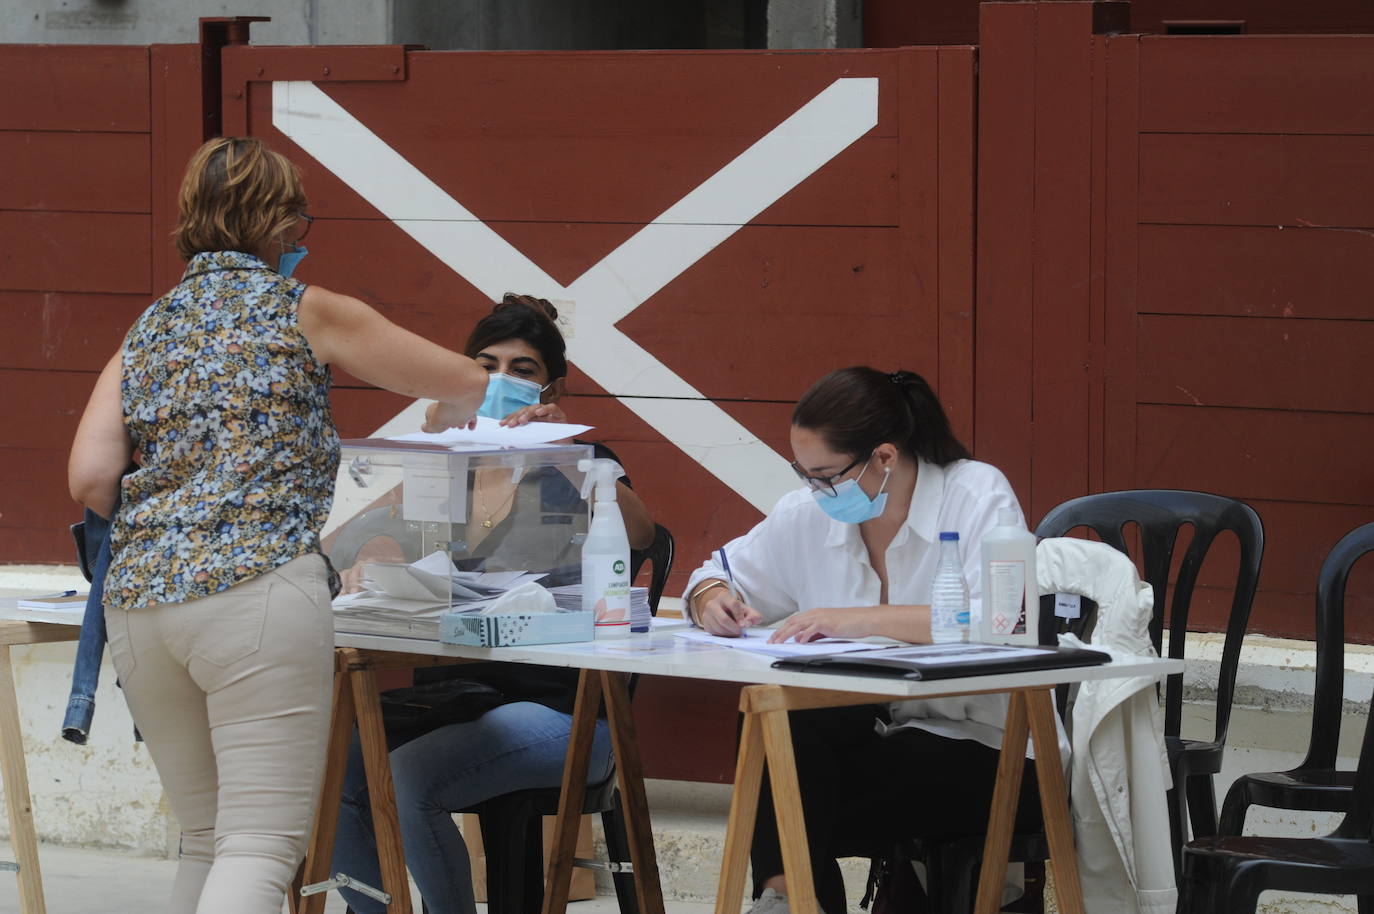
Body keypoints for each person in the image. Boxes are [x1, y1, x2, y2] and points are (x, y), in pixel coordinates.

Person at [66, 136, 489, 914]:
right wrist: (451, 410)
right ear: (276, 220)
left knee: (205, 840)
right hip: (257, 590)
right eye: (299, 217)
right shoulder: (303, 307)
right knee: (259, 847)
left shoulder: (147, 329)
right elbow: (466, 379)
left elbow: (90, 479)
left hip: (140, 602)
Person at [683, 366, 1058, 914]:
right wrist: (712, 599)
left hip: (988, 745)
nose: (815, 490)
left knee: (793, 800)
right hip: (882, 736)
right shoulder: (807, 514)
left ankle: (788, 898)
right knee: (774, 719)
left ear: (884, 457)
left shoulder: (974, 493)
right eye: (804, 474)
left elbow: (1002, 621)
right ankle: (788, 897)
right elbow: (715, 573)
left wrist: (858, 619)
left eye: (826, 475)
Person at [331, 293, 653, 914]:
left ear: (552, 386)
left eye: (522, 369)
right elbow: (358, 536)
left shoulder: (575, 462)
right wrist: (369, 555)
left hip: (560, 708)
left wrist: (561, 453)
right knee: (326, 770)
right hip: (452, 699)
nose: (501, 379)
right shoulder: (450, 463)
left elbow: (641, 533)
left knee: (409, 778)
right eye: (486, 365)